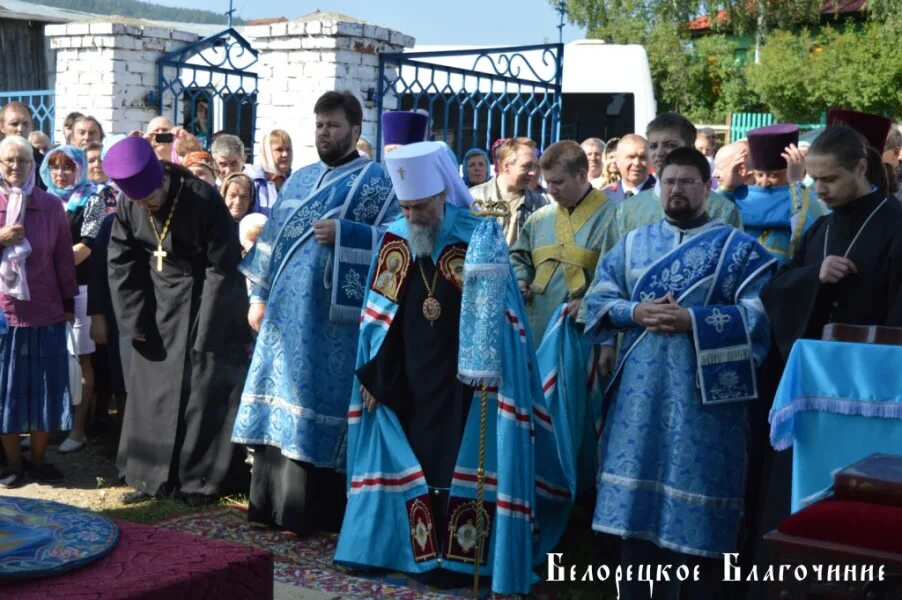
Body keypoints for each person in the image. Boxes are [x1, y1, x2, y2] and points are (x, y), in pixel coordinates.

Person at [336, 141, 567, 595]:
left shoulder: (478, 236)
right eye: (405, 206)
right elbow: (380, 318)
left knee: (455, 461)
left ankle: (462, 562)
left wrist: (490, 372)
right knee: (416, 458)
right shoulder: (394, 238)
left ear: (442, 194)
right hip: (408, 373)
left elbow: (504, 320)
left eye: (420, 206)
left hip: (468, 380)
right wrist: (376, 376)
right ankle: (408, 555)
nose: (413, 215)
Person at [582, 147, 775, 599]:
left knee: (700, 504)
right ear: (657, 187)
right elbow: (599, 300)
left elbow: (760, 317)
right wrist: (636, 311)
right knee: (636, 517)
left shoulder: (738, 249)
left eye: (688, 181)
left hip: (703, 404)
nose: (677, 190)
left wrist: (694, 321)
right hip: (640, 398)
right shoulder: (632, 244)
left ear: (707, 187)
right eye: (669, 181)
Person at [230, 91, 399, 535]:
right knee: (278, 408)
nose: (325, 132)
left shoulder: (377, 182)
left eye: (334, 125)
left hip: (332, 325)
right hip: (284, 317)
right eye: (320, 124)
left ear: (356, 131)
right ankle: (267, 505)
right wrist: (257, 296)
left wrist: (349, 233)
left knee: (316, 405)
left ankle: (310, 514)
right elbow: (270, 240)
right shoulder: (300, 180)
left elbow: (396, 242)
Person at [105, 136, 251, 505]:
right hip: (157, 304)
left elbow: (223, 264)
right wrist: (134, 319)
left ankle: (200, 481)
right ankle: (148, 476)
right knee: (153, 393)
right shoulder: (129, 203)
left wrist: (208, 326)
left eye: (150, 197)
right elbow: (121, 260)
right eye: (139, 201)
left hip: (208, 296)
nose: (147, 206)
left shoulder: (201, 196)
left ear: (162, 179)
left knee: (203, 392)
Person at [761, 125, 902, 361]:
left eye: (829, 179)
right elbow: (775, 290)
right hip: (817, 367)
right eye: (814, 179)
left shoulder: (895, 225)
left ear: (860, 168)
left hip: (875, 369)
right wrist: (815, 274)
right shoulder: (820, 228)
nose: (819, 190)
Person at [0, 135, 77, 488]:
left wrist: (67, 303)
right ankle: (14, 464)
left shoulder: (50, 206)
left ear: (35, 165)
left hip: (45, 312)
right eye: (8, 161)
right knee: (7, 391)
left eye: (24, 161)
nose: (16, 167)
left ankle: (40, 460)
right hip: (4, 317)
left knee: (45, 390)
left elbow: (63, 259)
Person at [510, 140, 615, 347]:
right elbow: (518, 256)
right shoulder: (539, 218)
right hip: (536, 326)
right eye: (547, 182)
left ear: (582, 175)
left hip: (581, 329)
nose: (551, 190)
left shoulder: (613, 216)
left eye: (558, 182)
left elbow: (615, 274)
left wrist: (589, 303)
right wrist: (521, 281)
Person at [40, 146, 107, 454]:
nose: (61, 173)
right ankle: (54, 425)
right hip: (46, 291)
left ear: (79, 169)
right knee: (50, 358)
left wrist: (45, 265)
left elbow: (87, 245)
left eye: (68, 167)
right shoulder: (42, 201)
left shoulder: (93, 199)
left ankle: (78, 429)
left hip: (79, 290)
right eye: (55, 167)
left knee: (82, 359)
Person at [601, 113, 743, 252]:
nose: (659, 153)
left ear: (690, 149)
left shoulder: (722, 210)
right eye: (653, 146)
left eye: (669, 145)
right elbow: (609, 271)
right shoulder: (626, 211)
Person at [730, 124, 827, 265]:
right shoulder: (739, 197)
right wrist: (728, 186)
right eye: (760, 175)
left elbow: (808, 233)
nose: (764, 182)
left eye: (773, 175)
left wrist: (796, 184)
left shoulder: (805, 198)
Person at [469, 137, 548, 245]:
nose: (533, 173)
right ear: (507, 166)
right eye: (527, 166)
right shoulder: (474, 198)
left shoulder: (540, 203)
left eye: (535, 166)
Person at [244, 129, 292, 215]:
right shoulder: (251, 180)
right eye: (279, 150)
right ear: (266, 152)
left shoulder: (294, 181)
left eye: (288, 149)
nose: (285, 154)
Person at [0, 102, 46, 190]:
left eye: (25, 124)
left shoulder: (41, 162)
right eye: (14, 124)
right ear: (2, 127)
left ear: (31, 126)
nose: (20, 129)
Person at [602, 133, 654, 204]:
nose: (636, 163)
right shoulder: (604, 197)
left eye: (642, 157)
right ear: (618, 161)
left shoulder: (662, 194)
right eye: (631, 157)